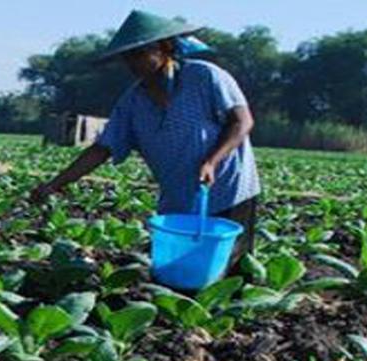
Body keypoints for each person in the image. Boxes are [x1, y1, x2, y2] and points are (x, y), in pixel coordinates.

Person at [30, 10, 261, 271]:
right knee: (181, 272)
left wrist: (211, 161)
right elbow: (101, 149)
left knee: (228, 270)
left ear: (164, 48)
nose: (132, 63)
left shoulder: (204, 77)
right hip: (178, 200)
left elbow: (242, 121)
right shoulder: (132, 101)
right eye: (127, 56)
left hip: (228, 190)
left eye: (139, 53)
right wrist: (54, 185)